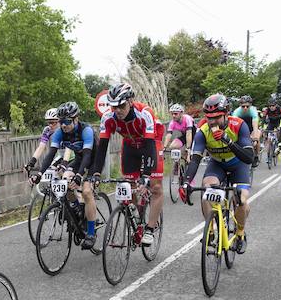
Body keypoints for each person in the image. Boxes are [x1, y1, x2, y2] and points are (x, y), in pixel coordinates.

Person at [91, 82, 165, 247]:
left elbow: (150, 146)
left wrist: (146, 176)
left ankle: (150, 229)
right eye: (113, 106)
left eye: (121, 106)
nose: (117, 110)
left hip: (151, 143)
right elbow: (102, 147)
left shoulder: (145, 113)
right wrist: (96, 173)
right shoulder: (108, 118)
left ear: (131, 101)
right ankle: (137, 218)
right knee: (128, 185)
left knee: (155, 187)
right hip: (130, 145)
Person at [179, 93, 254, 253]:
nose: (212, 121)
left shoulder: (239, 125)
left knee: (241, 199)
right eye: (209, 117)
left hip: (238, 164)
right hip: (217, 164)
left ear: (226, 114)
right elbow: (195, 159)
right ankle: (211, 229)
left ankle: (240, 232)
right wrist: (186, 182)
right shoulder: (203, 130)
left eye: (217, 117)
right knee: (207, 189)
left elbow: (248, 158)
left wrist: (228, 140)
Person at [30, 101, 99, 249]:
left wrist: (80, 176)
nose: (63, 125)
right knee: (65, 180)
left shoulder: (86, 131)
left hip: (94, 160)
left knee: (86, 191)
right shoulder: (59, 132)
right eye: (61, 122)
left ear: (76, 119)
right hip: (80, 159)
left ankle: (91, 233)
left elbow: (88, 157)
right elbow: (50, 155)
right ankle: (77, 209)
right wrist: (39, 174)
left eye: (67, 121)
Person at [24, 108, 64, 177]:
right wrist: (31, 162)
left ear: (60, 121)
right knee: (49, 171)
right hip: (61, 155)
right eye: (49, 122)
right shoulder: (47, 130)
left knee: (66, 176)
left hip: (72, 156)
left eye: (53, 123)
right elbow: (41, 147)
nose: (50, 125)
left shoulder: (65, 129)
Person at [232, 95, 261, 169]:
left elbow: (255, 126)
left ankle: (256, 156)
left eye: (247, 106)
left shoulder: (253, 111)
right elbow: (233, 127)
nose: (245, 108)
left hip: (251, 126)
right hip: (241, 127)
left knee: (257, 136)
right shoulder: (236, 112)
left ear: (250, 106)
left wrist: (255, 137)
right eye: (243, 106)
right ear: (240, 106)